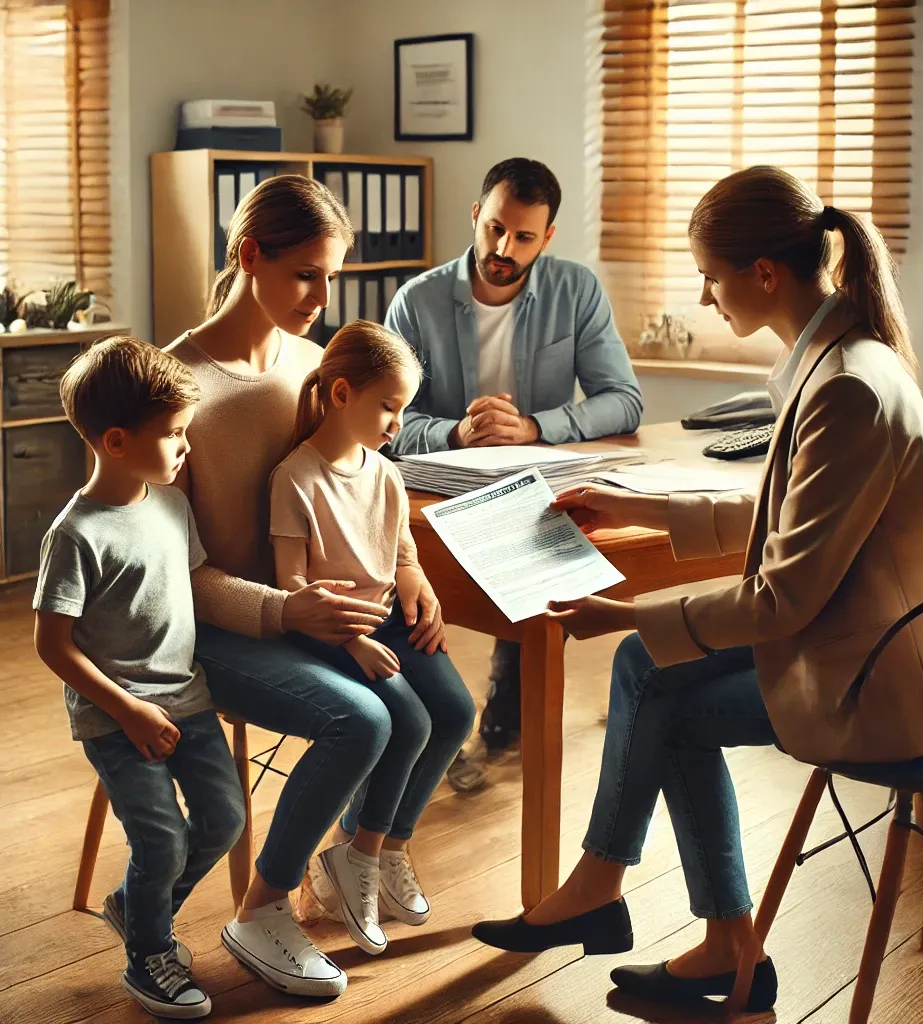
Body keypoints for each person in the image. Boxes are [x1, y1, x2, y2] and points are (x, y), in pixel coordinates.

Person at [471, 166, 923, 1014]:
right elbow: (778, 511)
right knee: (648, 668)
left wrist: (617, 610)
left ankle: (694, 931)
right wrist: (629, 499)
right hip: (874, 647)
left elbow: (783, 599)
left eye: (710, 276)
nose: (705, 298)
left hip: (887, 688)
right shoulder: (841, 356)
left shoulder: (848, 384)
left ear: (765, 274)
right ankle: (656, 914)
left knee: (655, 684)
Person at [165, 176, 441, 999]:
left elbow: (365, 481)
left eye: (333, 277)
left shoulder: (316, 365)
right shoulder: (175, 386)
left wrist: (411, 570)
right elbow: (173, 571)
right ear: (250, 257)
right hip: (226, 625)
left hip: (320, 612)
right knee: (360, 720)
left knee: (446, 706)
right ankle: (261, 908)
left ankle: (359, 852)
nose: (324, 299)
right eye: (306, 276)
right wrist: (288, 609)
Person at [386, 157, 643, 781]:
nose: (504, 248)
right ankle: (430, 727)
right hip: (438, 487)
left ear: (547, 237)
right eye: (495, 228)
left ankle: (500, 715)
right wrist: (454, 432)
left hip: (533, 481)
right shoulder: (416, 302)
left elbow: (624, 399)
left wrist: (533, 426)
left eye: (524, 237)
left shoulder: (575, 290)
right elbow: (385, 422)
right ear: (476, 215)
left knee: (547, 543)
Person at [33, 337, 247, 1019]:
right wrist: (127, 710)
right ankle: (148, 955)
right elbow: (53, 646)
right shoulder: (75, 534)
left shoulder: (172, 507)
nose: (186, 446)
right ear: (118, 441)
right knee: (161, 839)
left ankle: (138, 906)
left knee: (225, 819)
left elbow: (185, 596)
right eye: (175, 433)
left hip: (189, 701)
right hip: (116, 717)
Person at [268, 320, 475, 955]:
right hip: (327, 627)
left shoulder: (386, 473)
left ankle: (384, 848)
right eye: (388, 406)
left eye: (403, 409)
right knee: (408, 720)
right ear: (339, 394)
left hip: (385, 618)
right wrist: (352, 641)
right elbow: (293, 586)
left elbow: (404, 556)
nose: (396, 423)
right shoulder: (294, 478)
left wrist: (423, 590)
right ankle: (359, 852)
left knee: (457, 712)